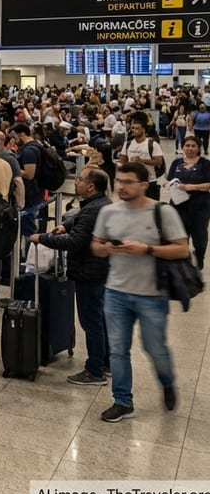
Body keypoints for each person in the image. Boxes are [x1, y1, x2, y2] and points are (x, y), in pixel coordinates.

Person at [91, 161, 187, 422]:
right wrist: (106, 248)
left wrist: (147, 249)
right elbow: (96, 246)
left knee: (155, 348)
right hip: (115, 292)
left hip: (152, 294)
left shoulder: (162, 213)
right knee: (118, 349)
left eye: (128, 182)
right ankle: (123, 401)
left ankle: (166, 381)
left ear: (144, 185)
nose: (120, 186)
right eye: (119, 181)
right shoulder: (109, 213)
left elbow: (181, 249)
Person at [31, 167, 112, 386]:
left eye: (80, 179)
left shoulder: (93, 209)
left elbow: (75, 242)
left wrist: (43, 238)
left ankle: (95, 371)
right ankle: (105, 362)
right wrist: (65, 225)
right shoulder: (99, 204)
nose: (76, 182)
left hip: (89, 272)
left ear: (91, 186)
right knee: (100, 319)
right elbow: (80, 222)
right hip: (98, 271)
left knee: (92, 322)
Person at [165, 135, 210, 270]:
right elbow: (170, 180)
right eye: (187, 146)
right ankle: (183, 260)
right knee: (180, 235)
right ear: (182, 147)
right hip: (179, 205)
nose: (189, 148)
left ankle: (199, 255)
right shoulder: (176, 163)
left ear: (198, 148)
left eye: (193, 146)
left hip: (200, 206)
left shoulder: (205, 164)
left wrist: (191, 187)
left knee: (200, 238)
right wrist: (168, 185)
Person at [118, 118, 165, 201]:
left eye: (137, 128)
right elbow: (123, 162)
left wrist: (141, 160)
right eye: (132, 128)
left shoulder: (153, 144)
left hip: (150, 182)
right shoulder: (127, 144)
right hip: (132, 182)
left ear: (143, 129)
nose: (134, 130)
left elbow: (158, 162)